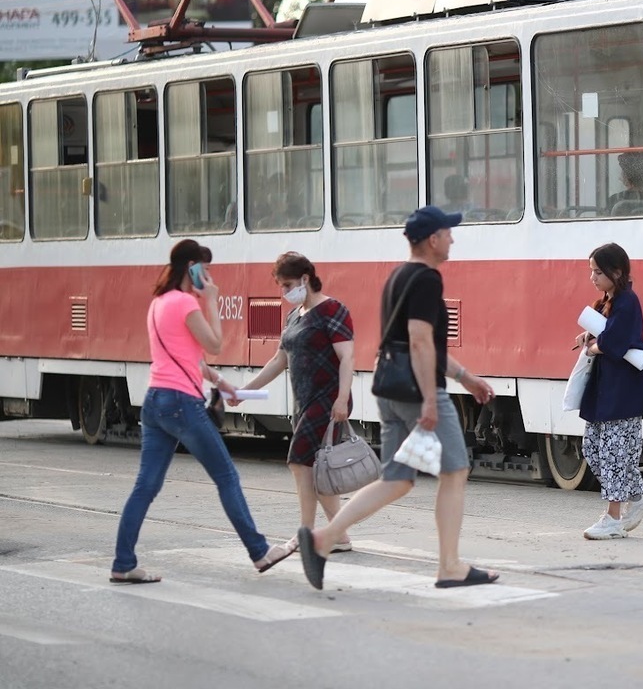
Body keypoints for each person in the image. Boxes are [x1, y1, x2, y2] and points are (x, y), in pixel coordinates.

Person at [297, 206, 499, 590]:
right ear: (431, 239)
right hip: (416, 390)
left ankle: (323, 539)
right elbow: (420, 340)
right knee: (455, 471)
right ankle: (450, 566)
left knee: (397, 479)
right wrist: (429, 400)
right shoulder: (426, 280)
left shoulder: (398, 276)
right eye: (447, 232)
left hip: (390, 387)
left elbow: (415, 343)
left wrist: (466, 376)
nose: (452, 238)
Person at [111, 240, 292, 583]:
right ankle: (260, 551)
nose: (208, 276)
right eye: (205, 269)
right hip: (182, 403)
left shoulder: (159, 304)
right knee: (227, 477)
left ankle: (123, 563)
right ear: (192, 267)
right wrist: (212, 301)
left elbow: (186, 356)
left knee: (145, 486)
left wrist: (218, 380)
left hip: (155, 402)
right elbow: (214, 344)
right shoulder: (184, 303)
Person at [236, 252, 356, 553]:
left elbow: (347, 358)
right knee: (314, 468)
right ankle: (340, 535)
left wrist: (342, 399)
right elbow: (280, 360)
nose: (284, 292)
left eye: (287, 284)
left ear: (305, 279)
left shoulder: (333, 310)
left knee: (298, 460)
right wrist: (244, 391)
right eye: (281, 286)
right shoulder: (294, 316)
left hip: (328, 400)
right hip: (303, 400)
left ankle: (305, 532)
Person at [575, 242, 643, 540]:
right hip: (606, 388)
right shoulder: (608, 300)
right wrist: (589, 335)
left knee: (614, 453)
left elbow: (614, 342)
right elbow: (607, 332)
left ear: (617, 271)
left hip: (623, 389)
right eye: (592, 272)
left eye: (598, 272)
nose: (593, 278)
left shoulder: (627, 301)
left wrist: (593, 347)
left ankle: (612, 519)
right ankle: (638, 499)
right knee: (593, 448)